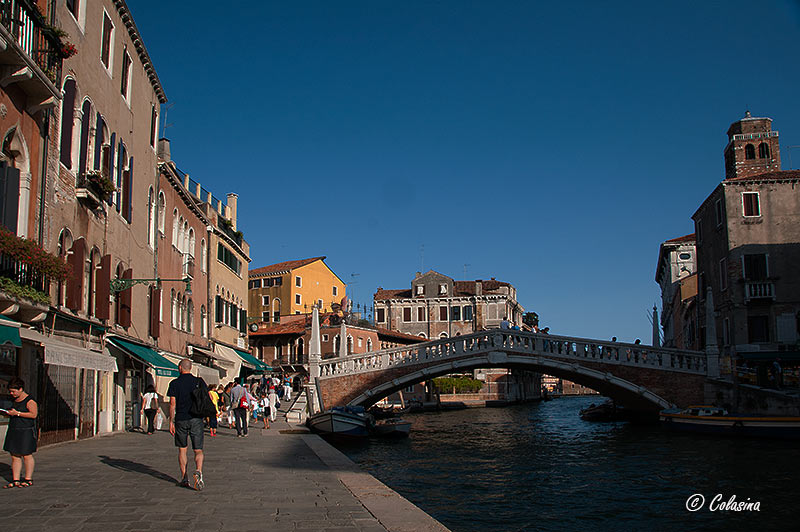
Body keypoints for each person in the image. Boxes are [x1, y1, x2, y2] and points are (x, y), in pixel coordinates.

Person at [167, 359, 207, 490]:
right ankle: (199, 471)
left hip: (181, 419)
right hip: (196, 418)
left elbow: (172, 404)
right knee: (198, 450)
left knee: (182, 449)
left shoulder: (174, 383)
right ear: (191, 368)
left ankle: (184, 477)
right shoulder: (198, 382)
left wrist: (171, 421)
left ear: (179, 368)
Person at [2, 377, 37, 488]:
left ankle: (28, 478)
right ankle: (15, 479)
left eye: (14, 391)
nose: (12, 393)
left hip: (25, 430)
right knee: (14, 455)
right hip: (14, 429)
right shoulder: (13, 400)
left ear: (21, 389)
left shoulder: (30, 401)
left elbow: (33, 415)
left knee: (26, 454)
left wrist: (18, 413)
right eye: (11, 391)